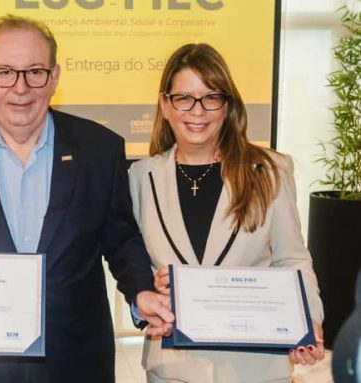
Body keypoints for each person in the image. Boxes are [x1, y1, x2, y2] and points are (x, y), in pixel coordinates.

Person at [0, 14, 173, 383]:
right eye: (4, 72)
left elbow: (120, 238)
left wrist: (141, 291)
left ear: (54, 77)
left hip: (77, 361)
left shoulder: (100, 149)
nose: (20, 88)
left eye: (34, 71)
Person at [128, 43, 325, 383]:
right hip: (173, 368)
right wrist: (148, 289)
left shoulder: (269, 170)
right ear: (165, 105)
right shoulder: (139, 177)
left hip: (256, 368)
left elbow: (292, 259)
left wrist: (309, 321)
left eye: (211, 97)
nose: (197, 110)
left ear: (227, 106)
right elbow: (130, 260)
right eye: (184, 98)